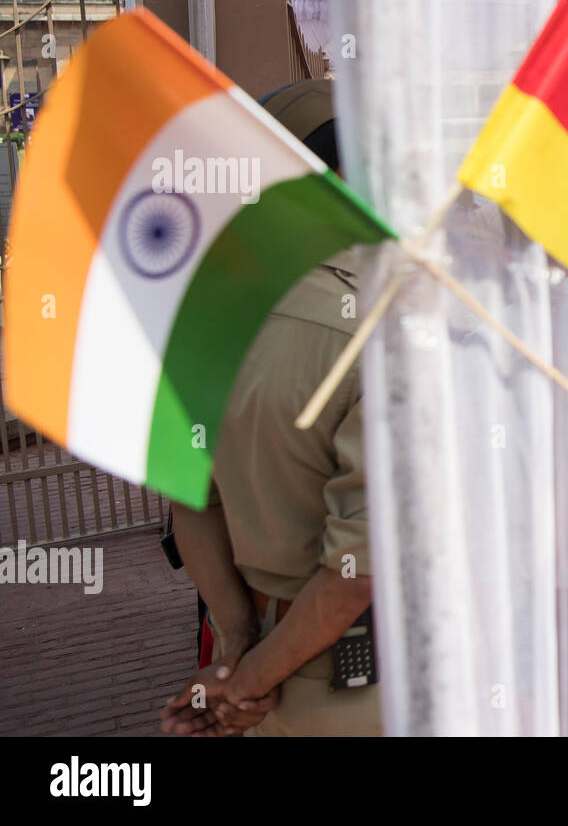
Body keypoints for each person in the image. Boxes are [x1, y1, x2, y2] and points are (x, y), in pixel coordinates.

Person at [159, 79, 380, 736]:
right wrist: (249, 681)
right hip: (357, 681)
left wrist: (233, 654)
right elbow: (354, 573)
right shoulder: (381, 331)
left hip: (257, 654)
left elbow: (192, 498)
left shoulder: (196, 321)